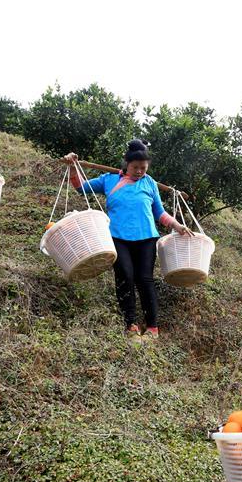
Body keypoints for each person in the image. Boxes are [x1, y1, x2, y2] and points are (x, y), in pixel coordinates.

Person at [63, 140, 192, 339]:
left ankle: (152, 328)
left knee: (145, 279)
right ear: (126, 164)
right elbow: (81, 188)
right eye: (135, 167)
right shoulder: (109, 180)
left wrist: (177, 226)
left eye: (143, 168)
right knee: (125, 276)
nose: (139, 171)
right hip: (117, 237)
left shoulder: (149, 183)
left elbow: (159, 212)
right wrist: (72, 166)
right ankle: (130, 324)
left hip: (146, 238)